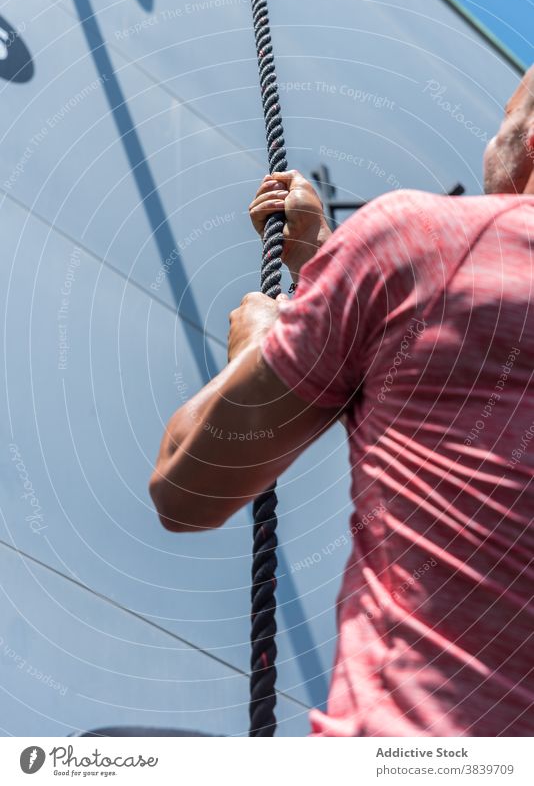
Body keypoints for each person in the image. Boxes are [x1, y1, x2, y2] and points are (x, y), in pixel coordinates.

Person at [149, 66, 534, 736]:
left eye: (509, 109)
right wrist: (325, 267)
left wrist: (257, 346)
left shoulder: (423, 240)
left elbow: (187, 485)